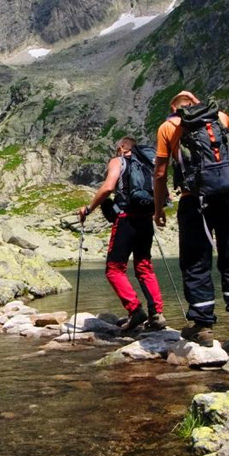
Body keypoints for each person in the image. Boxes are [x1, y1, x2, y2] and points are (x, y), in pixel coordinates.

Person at [152, 91, 229, 347]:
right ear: (196, 102)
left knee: (195, 260)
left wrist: (158, 208)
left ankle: (203, 325)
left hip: (193, 198)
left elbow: (161, 172)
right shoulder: (221, 117)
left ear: (174, 108)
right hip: (227, 196)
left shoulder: (168, 127)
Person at [79, 137, 165, 332]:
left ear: (120, 148)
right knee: (144, 266)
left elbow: (108, 187)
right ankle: (157, 314)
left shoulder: (118, 161)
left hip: (126, 219)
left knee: (114, 269)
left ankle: (135, 310)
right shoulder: (147, 162)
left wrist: (89, 208)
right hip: (145, 219)